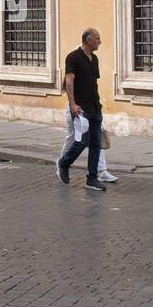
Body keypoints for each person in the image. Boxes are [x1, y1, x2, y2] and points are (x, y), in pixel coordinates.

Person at [57, 27, 106, 191]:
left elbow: (93, 83)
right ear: (88, 40)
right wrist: (72, 104)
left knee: (95, 144)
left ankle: (91, 179)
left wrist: (98, 105)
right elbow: (69, 82)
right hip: (81, 109)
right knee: (81, 141)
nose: (100, 42)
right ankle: (64, 163)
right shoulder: (73, 57)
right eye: (97, 39)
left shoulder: (95, 59)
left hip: (95, 107)